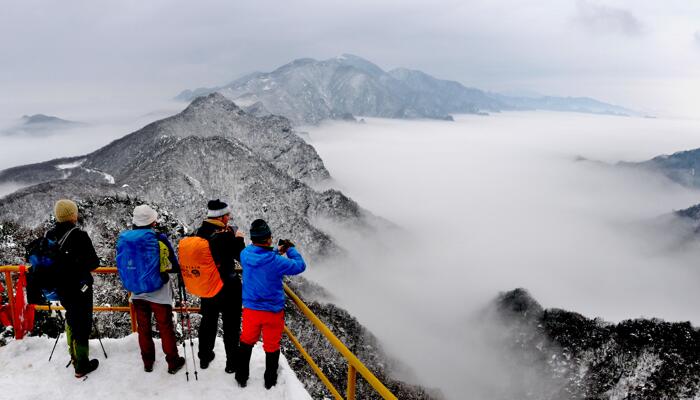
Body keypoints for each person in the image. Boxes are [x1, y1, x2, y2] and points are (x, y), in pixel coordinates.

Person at [236, 219, 306, 389]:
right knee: (272, 345)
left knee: (246, 341)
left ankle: (241, 376)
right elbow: (300, 266)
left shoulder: (245, 254)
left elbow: (261, 254)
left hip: (251, 310)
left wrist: (276, 250)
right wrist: (290, 249)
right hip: (272, 311)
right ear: (268, 238)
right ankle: (270, 380)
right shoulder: (276, 262)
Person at [117, 205, 185, 374]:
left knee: (143, 328)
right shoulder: (158, 238)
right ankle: (172, 362)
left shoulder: (125, 239)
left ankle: (147, 362)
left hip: (137, 293)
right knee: (165, 327)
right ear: (151, 221)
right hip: (159, 293)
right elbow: (175, 266)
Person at [181, 199, 245, 373]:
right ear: (222, 217)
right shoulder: (227, 235)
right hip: (228, 288)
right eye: (227, 215)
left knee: (208, 322)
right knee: (231, 326)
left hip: (208, 287)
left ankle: (204, 357)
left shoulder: (199, 233)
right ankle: (231, 363)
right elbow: (242, 258)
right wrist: (239, 240)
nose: (229, 218)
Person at [48, 199, 100, 378]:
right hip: (80, 288)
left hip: (61, 287)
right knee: (83, 324)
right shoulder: (79, 236)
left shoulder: (50, 235)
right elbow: (94, 262)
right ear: (72, 215)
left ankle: (73, 354)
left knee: (71, 317)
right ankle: (82, 364)